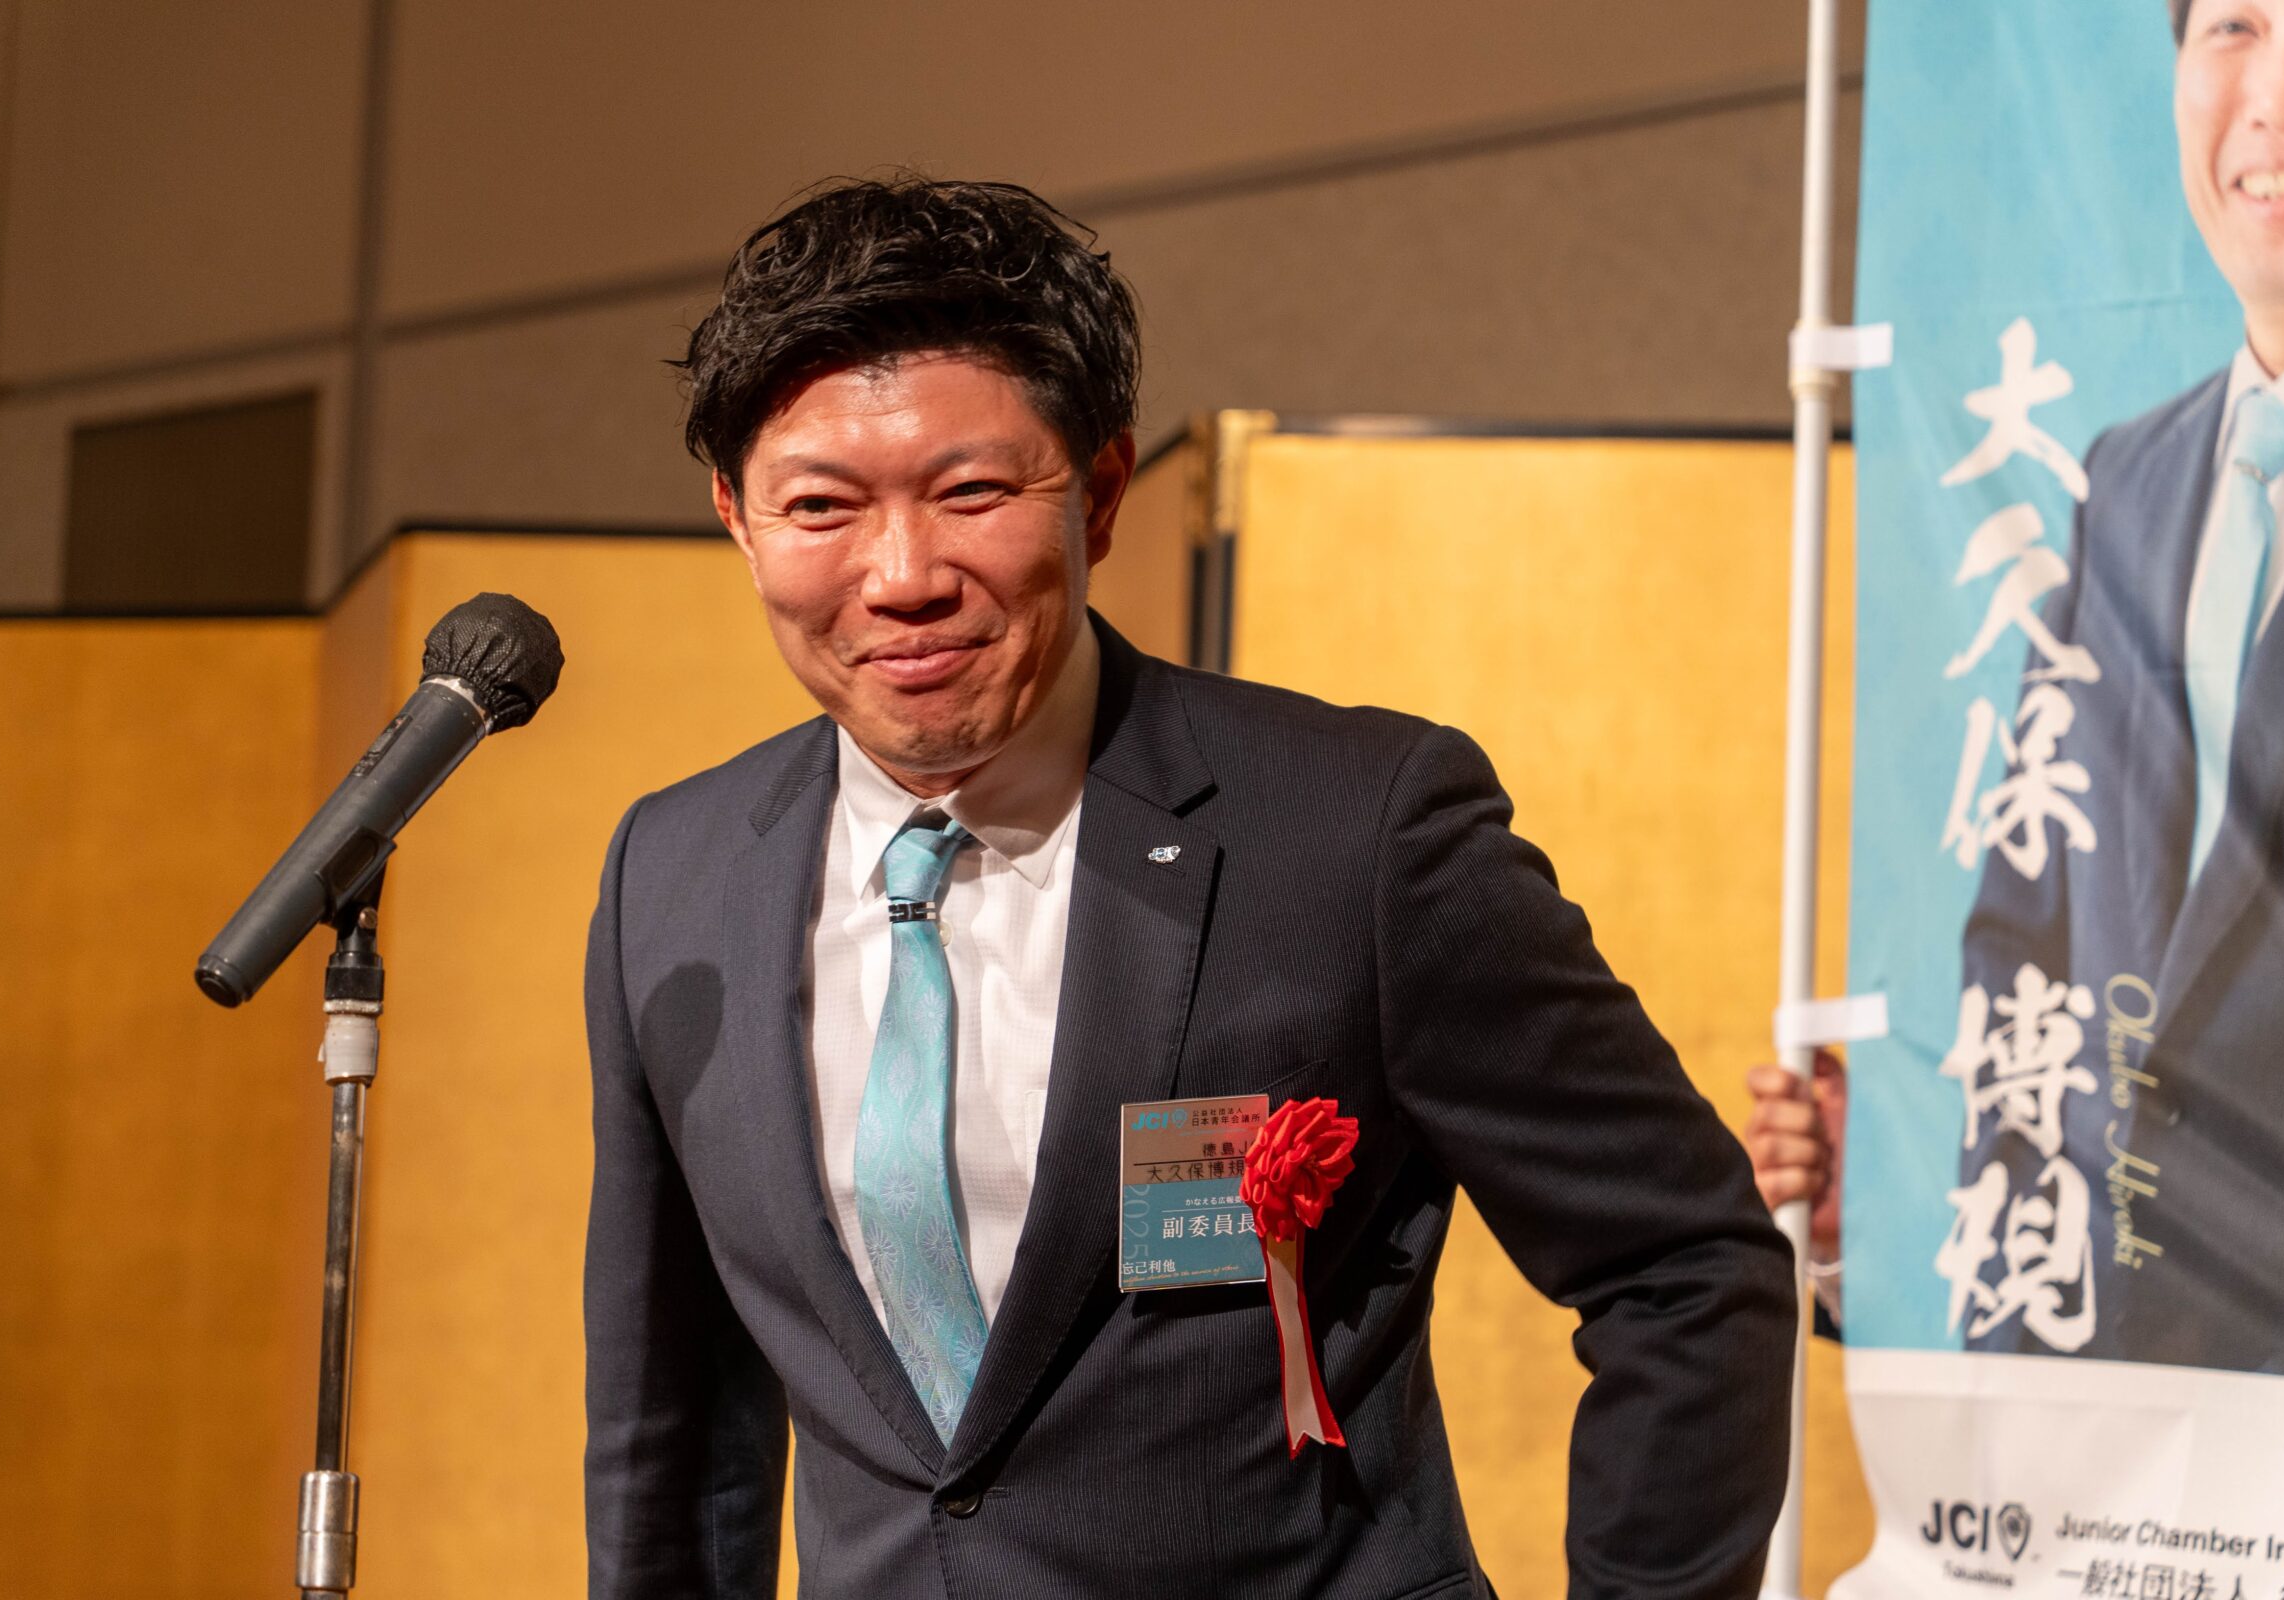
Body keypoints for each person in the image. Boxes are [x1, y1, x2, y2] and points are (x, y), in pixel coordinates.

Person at [586, 175, 1796, 1600]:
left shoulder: (1354, 832)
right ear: (736, 518)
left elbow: (1685, 1271)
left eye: (972, 493)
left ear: (1101, 489)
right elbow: (674, 1429)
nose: (902, 575)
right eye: (820, 508)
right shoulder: (674, 877)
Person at [1746, 0, 2284, 1374]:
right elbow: (2031, 954)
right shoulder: (2131, 481)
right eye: (2234, 27)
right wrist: (1882, 1204)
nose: (2273, 100)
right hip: (2116, 1447)